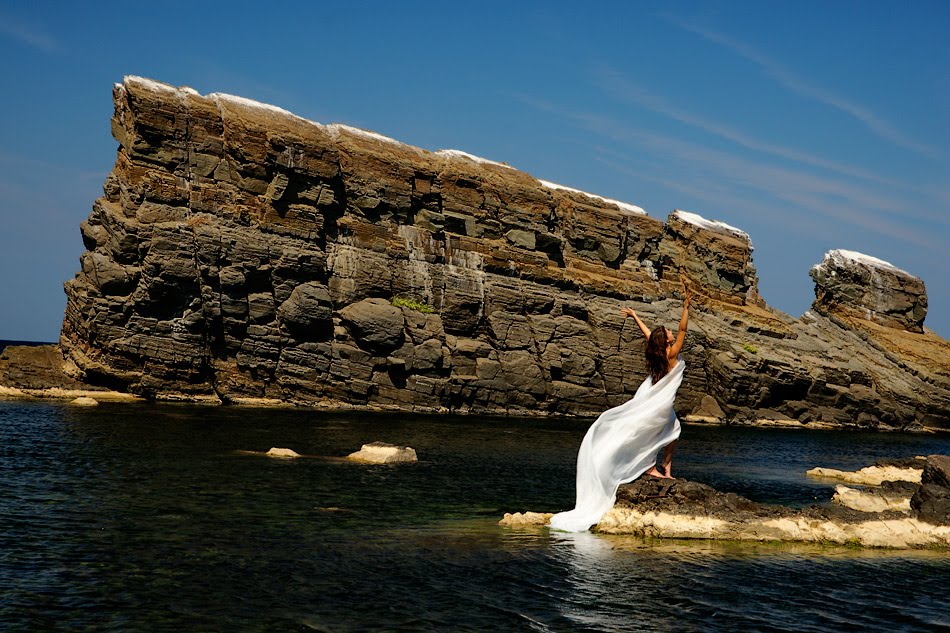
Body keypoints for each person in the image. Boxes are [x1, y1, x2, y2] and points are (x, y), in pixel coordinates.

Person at [548, 288, 692, 533]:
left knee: (663, 431)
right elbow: (683, 330)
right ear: (666, 341)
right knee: (672, 431)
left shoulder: (658, 351)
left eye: (667, 330)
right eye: (667, 333)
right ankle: (660, 466)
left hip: (653, 398)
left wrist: (636, 316)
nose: (670, 332)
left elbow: (649, 335)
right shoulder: (671, 353)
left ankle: (657, 466)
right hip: (660, 402)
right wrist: (686, 308)